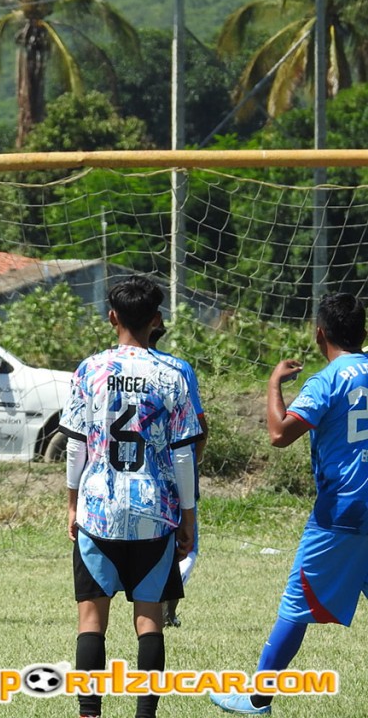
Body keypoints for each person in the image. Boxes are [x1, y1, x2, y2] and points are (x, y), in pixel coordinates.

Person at [211, 292, 368, 715]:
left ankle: (257, 698)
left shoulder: (327, 380)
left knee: (296, 604)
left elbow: (279, 434)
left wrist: (273, 384)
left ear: (320, 334)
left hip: (342, 511)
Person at [60, 275, 203, 718]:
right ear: (156, 319)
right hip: (154, 512)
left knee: (91, 620)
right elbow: (184, 454)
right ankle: (145, 715)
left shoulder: (90, 370)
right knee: (149, 619)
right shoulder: (173, 373)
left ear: (112, 317)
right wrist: (188, 516)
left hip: (98, 509)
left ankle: (89, 713)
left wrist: (72, 503)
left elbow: (75, 446)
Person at [149, 324, 208, 628]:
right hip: (175, 470)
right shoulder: (178, 368)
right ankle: (165, 610)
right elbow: (199, 426)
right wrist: (194, 463)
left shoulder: (104, 365)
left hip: (132, 476)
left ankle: (160, 612)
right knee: (185, 546)